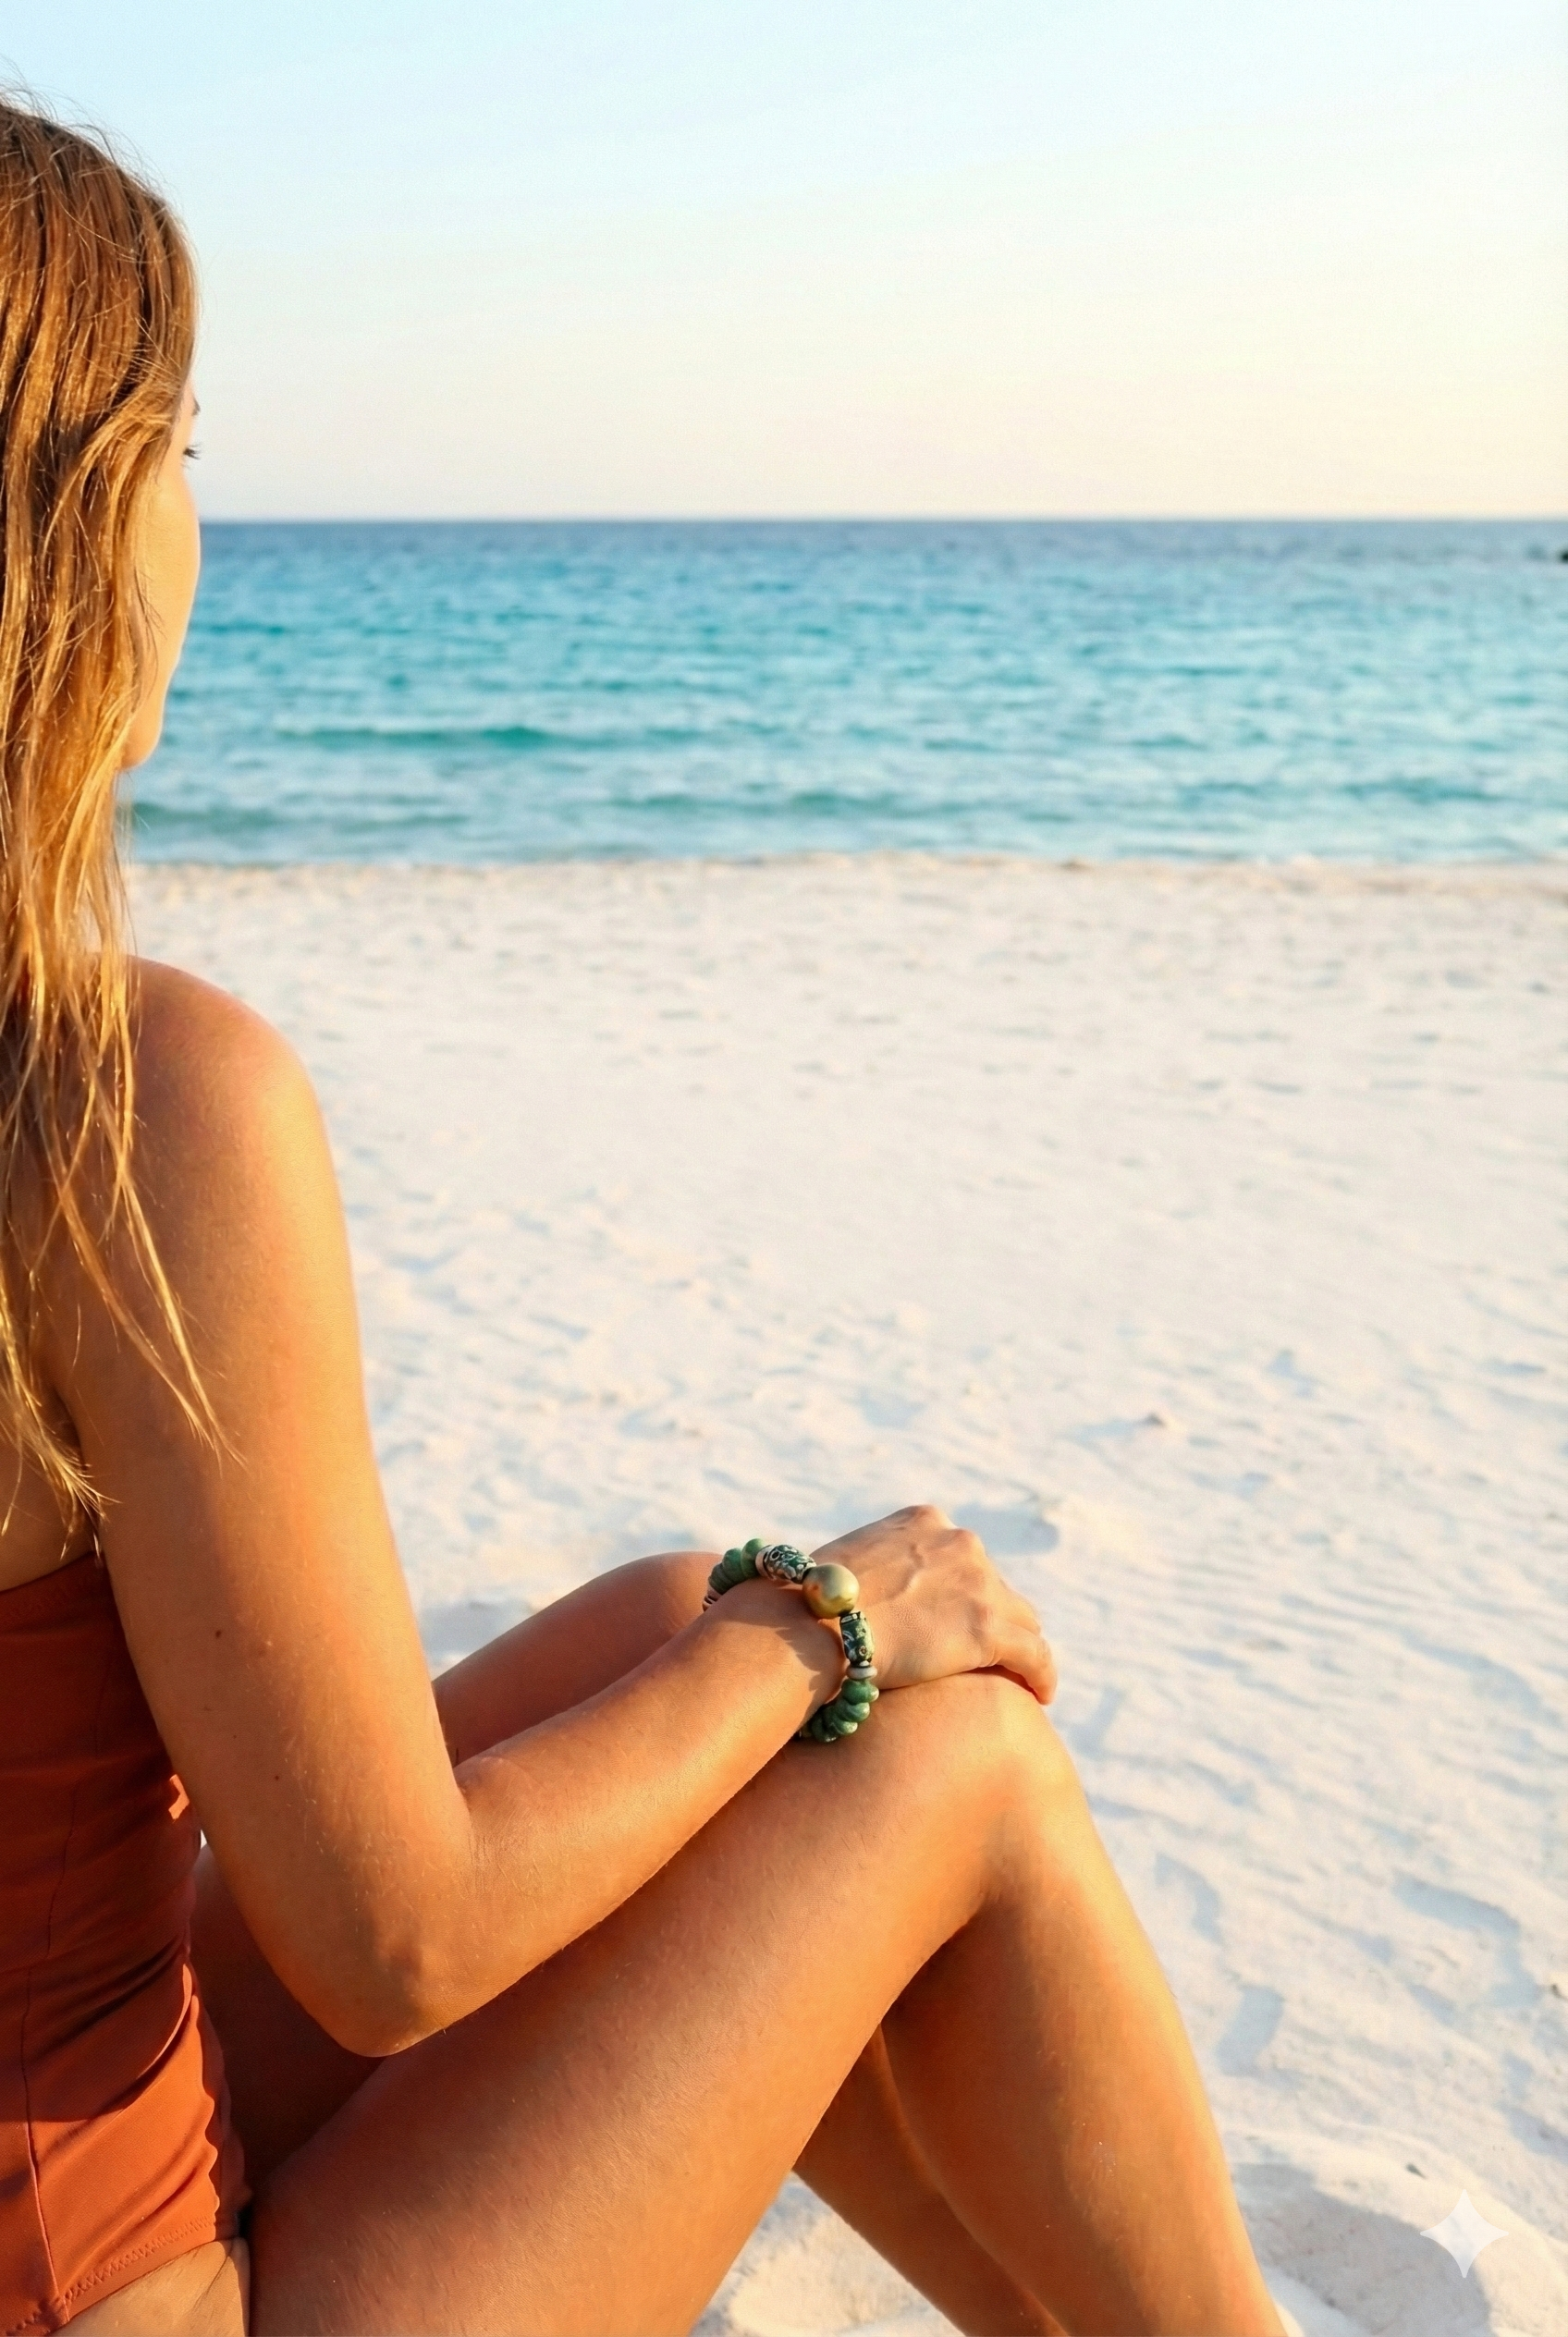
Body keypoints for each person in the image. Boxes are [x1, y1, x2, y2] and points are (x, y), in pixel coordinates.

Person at [0, 94, 1285, 2337]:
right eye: (179, 448)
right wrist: (819, 1629)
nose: (198, 524)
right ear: (66, 515)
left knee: (677, 1615)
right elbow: (392, 1937)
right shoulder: (118, 1107)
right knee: (932, 1740)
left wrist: (738, 1628)